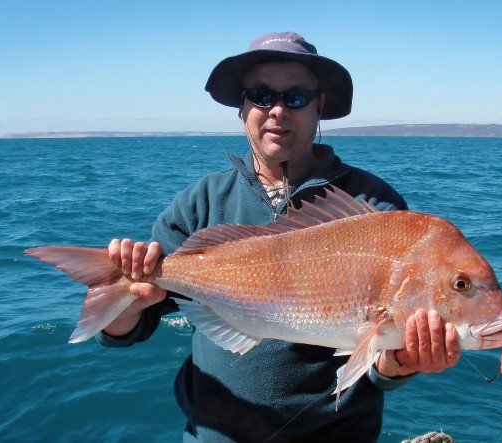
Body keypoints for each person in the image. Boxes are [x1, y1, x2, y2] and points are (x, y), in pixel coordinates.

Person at [98, 32, 461, 442]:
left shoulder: (375, 204)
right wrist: (126, 302)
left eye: (296, 98)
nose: (277, 111)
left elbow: (380, 366)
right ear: (241, 107)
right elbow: (128, 328)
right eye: (260, 94)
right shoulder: (198, 204)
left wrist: (401, 364)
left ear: (319, 106)